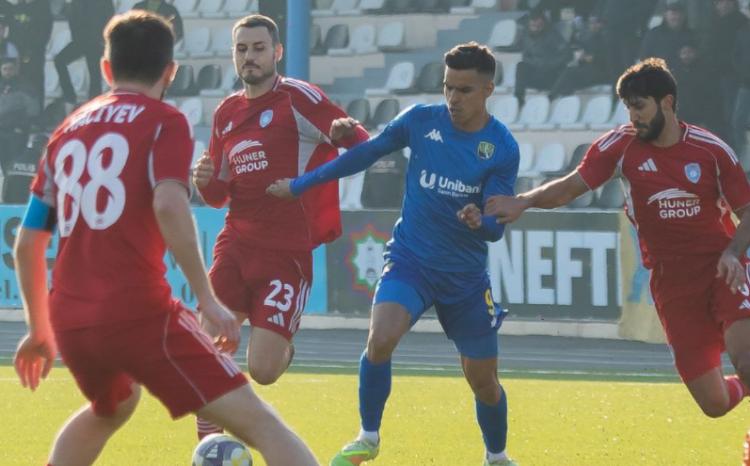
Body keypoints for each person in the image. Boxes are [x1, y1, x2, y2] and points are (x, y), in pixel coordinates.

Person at [12, 11, 318, 466]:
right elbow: (170, 205)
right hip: (138, 313)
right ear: (170, 72)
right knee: (260, 424)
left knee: (110, 408)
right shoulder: (163, 121)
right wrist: (206, 299)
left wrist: (39, 329)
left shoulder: (65, 132)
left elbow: (27, 242)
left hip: (71, 319)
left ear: (106, 68)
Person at [267, 42, 520, 466]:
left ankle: (497, 456)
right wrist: (300, 184)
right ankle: (368, 437)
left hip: (464, 276)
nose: (453, 98)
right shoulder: (420, 120)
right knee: (380, 338)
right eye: (448, 87)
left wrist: (482, 221)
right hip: (411, 260)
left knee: (484, 381)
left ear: (488, 90)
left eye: (464, 90)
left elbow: (496, 225)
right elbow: (365, 154)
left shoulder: (501, 147)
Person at [485, 58, 750, 421]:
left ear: (667, 102)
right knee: (714, 404)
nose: (633, 116)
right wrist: (524, 201)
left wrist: (734, 253)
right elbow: (570, 187)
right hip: (672, 285)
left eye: (639, 106)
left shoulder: (711, 151)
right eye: (628, 108)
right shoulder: (619, 147)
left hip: (722, 269)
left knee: (746, 360)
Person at [191, 14, 369, 439]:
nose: (249, 57)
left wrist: (344, 134)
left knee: (263, 370)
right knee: (202, 351)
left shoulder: (298, 98)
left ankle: (282, 349)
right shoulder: (226, 112)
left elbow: (362, 144)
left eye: (258, 48)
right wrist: (204, 182)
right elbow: (218, 195)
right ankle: (209, 450)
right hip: (235, 245)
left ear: (277, 52)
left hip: (285, 252)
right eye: (242, 49)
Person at [53, 0, 114, 106]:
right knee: (59, 61)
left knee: (94, 75)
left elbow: (109, 17)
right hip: (82, 40)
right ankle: (70, 97)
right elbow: (71, 15)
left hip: (94, 41)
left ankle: (89, 101)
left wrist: (102, 39)